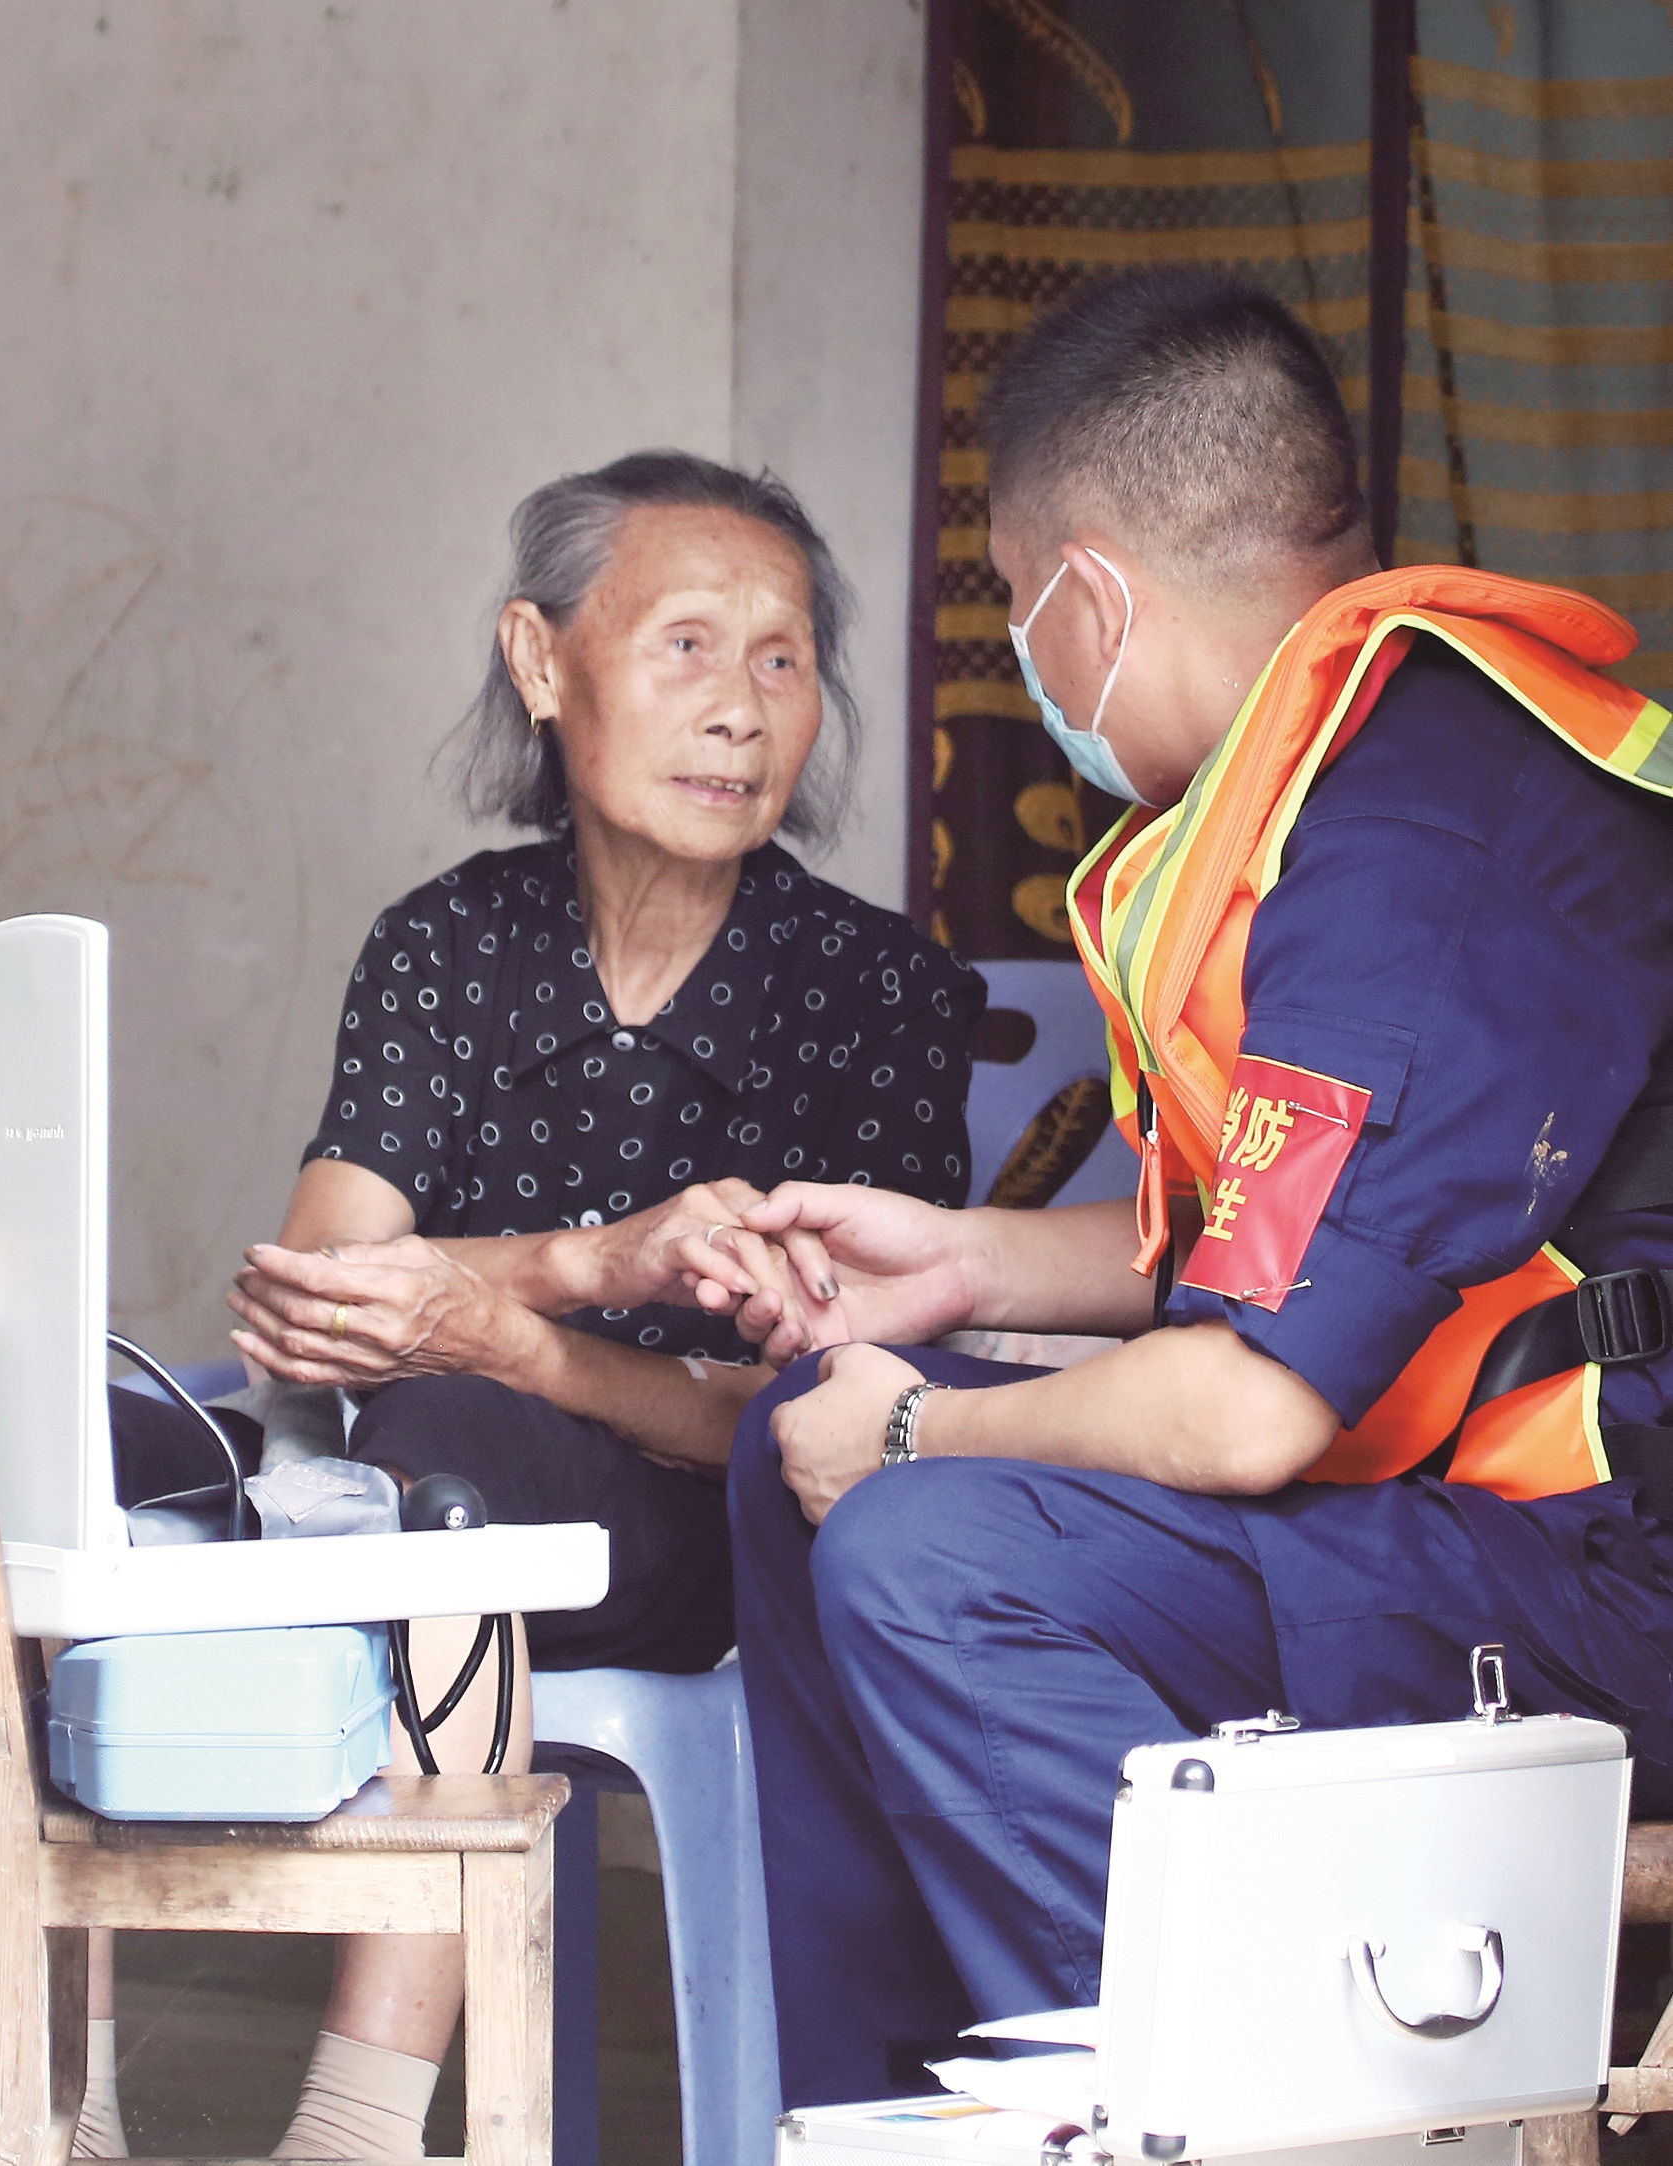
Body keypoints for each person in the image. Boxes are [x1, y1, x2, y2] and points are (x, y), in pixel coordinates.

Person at [688, 268, 1673, 2109]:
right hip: (1480, 1512)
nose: (1026, 659)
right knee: (794, 1447)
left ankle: (1211, 2122)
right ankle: (925, 2111)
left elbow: (1248, 1406)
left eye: (1011, 606)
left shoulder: (1410, 846)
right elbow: (1286, 1259)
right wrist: (954, 1266)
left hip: (1616, 1574)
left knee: (923, 1549)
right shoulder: (1340, 773)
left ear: (1092, 593)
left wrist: (924, 1442)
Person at [209, 451, 982, 2157]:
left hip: (738, 1530)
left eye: (783, 661)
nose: (742, 712)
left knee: (443, 1429)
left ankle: (348, 2121)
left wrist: (499, 1329)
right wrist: (592, 1262)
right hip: (417, 1498)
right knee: (192, 1447)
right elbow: (316, 1295)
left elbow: (807, 1419)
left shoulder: (875, 998)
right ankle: (82, 2097)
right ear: (542, 660)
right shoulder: (445, 949)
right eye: (689, 646)